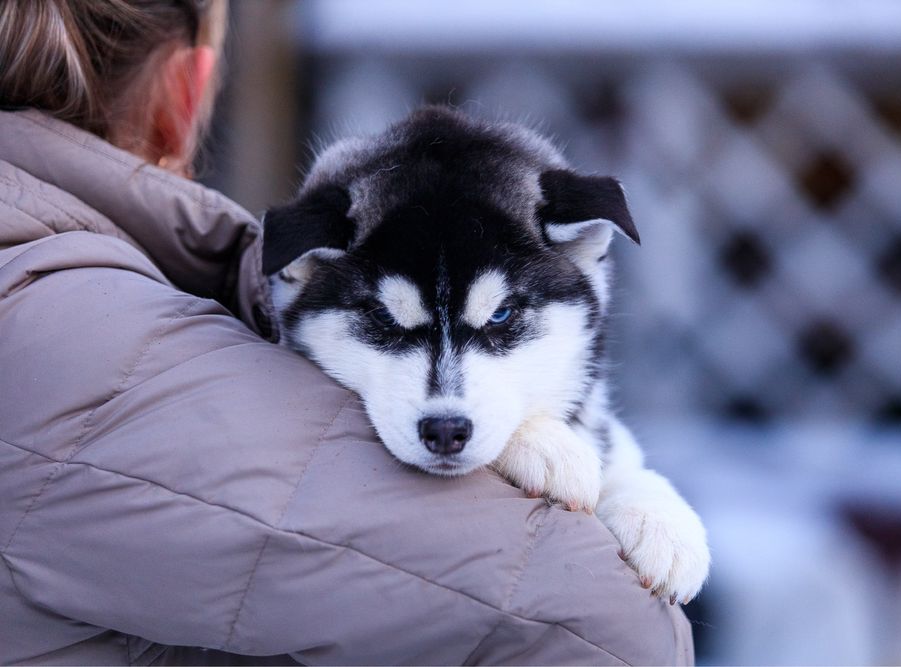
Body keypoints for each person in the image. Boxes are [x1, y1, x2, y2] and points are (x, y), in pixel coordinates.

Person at [0, 1, 693, 664]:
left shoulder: (94, 295)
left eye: (502, 323)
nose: (446, 406)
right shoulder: (86, 340)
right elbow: (608, 630)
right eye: (388, 325)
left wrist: (629, 487)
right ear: (188, 90)